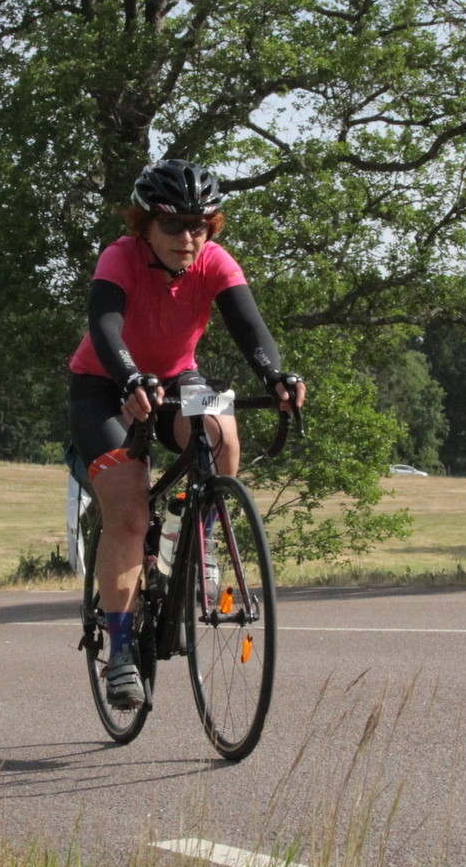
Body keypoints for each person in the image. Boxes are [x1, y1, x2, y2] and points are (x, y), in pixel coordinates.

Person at [67, 159, 305, 710]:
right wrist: (130, 377)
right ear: (146, 225)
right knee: (129, 512)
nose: (188, 238)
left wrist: (275, 377)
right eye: (173, 225)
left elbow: (249, 326)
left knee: (220, 430)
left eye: (199, 226)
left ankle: (202, 539)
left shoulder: (215, 261)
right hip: (105, 383)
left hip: (177, 378)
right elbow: (105, 325)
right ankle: (121, 652)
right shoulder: (120, 256)